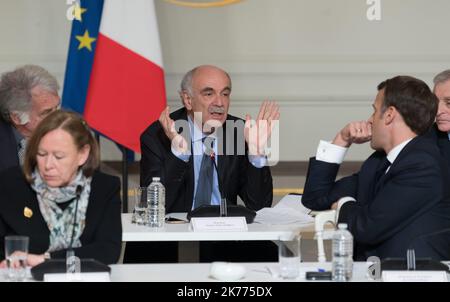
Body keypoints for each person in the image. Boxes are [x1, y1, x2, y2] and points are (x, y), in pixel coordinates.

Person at [126, 65, 279, 263]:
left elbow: (259, 205)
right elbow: (154, 206)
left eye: (225, 94)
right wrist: (179, 154)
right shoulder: (158, 135)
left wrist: (256, 154)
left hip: (224, 236)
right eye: (209, 93)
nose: (219, 103)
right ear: (188, 100)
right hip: (171, 236)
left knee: (281, 262)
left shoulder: (239, 132)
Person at [302, 75, 450, 261]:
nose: (370, 121)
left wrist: (343, 204)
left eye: (374, 111)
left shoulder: (422, 165)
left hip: (406, 274)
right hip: (372, 271)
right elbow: (315, 197)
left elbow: (367, 227)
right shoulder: (380, 161)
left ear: (389, 115)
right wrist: (342, 140)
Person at [0, 111, 122, 267]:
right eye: (42, 154)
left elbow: (108, 251)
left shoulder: (104, 188)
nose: (48, 165)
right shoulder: (11, 184)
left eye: (59, 156)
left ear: (82, 154)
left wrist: (46, 260)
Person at [0, 65, 60, 173]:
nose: (57, 117)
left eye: (57, 107)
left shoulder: (67, 134)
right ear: (17, 117)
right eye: (46, 112)